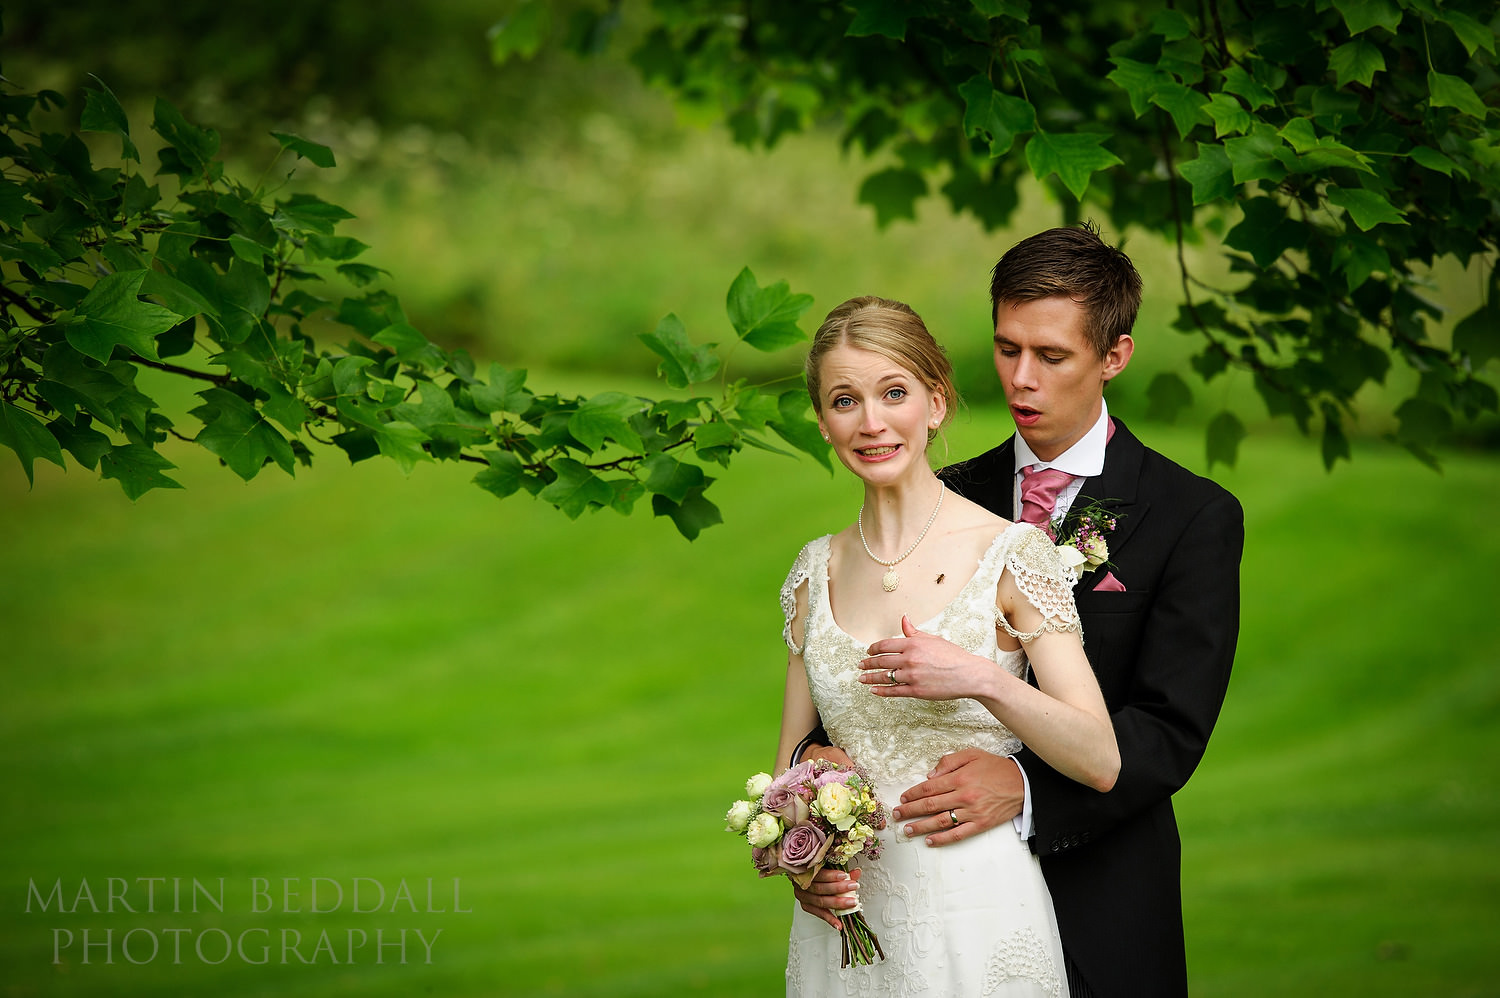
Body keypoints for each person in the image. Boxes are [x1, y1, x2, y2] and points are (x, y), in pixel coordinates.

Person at [793, 224, 1244, 997]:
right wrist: (810, 777)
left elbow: (1169, 728)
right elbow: (848, 689)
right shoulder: (938, 489)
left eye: (1052, 355)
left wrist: (1025, 787)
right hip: (910, 897)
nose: (1020, 379)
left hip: (1102, 889)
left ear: (1115, 357)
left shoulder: (1190, 515)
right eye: (1006, 349)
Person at [774, 295, 1120, 996]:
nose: (871, 423)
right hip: (846, 932)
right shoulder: (815, 571)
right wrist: (803, 865)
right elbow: (785, 775)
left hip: (978, 913)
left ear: (935, 404)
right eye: (845, 401)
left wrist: (981, 678)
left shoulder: (1013, 554)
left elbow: (1100, 759)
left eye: (893, 393)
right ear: (823, 422)